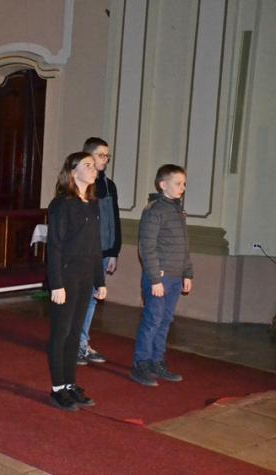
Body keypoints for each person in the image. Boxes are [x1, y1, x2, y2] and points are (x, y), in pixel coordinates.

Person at [46, 152, 106, 411]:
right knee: (61, 332)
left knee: (75, 332)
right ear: (73, 172)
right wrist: (56, 284)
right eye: (87, 165)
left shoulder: (92, 204)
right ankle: (58, 388)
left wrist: (100, 281)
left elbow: (95, 246)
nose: (94, 169)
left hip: (85, 276)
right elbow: (54, 246)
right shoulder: (62, 204)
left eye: (94, 165)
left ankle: (70, 383)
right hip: (66, 275)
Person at [130, 164, 193, 387]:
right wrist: (155, 278)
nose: (182, 188)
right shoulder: (154, 210)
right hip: (160, 277)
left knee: (165, 321)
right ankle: (141, 364)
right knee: (152, 320)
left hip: (175, 277)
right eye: (178, 183)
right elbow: (147, 247)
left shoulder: (178, 211)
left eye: (184, 184)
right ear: (163, 185)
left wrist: (187, 273)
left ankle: (156, 362)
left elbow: (184, 246)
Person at [77, 137, 121, 365]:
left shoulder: (109, 185)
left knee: (93, 299)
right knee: (81, 299)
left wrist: (114, 251)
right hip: (86, 252)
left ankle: (82, 343)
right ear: (89, 156)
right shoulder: (83, 184)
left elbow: (114, 219)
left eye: (107, 156)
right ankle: (75, 344)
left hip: (104, 251)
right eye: (101, 155)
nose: (105, 159)